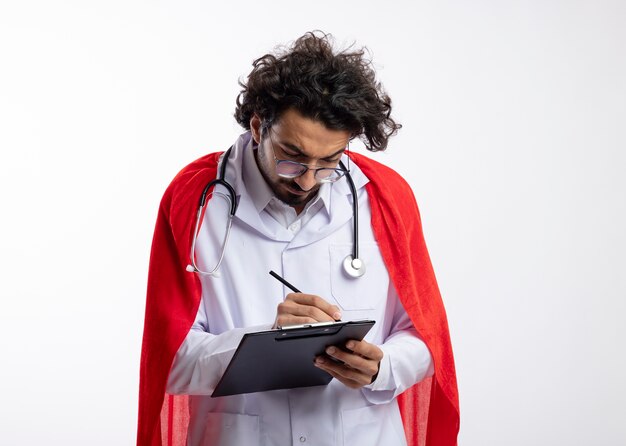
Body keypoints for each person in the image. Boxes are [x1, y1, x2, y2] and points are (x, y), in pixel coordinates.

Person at [137, 31, 459, 446]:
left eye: (328, 162)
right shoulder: (195, 201)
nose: (308, 179)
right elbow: (171, 361)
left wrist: (383, 367)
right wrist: (265, 344)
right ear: (258, 127)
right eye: (291, 157)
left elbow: (426, 337)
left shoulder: (385, 197)